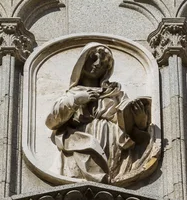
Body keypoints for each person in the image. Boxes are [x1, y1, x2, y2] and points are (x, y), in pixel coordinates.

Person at [45, 42, 158, 184]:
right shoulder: (72, 94)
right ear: (83, 61)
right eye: (93, 58)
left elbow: (130, 129)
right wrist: (77, 100)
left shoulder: (116, 93)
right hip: (80, 145)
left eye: (104, 63)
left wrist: (141, 122)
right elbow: (52, 121)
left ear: (107, 69)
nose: (98, 64)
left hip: (114, 147)